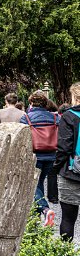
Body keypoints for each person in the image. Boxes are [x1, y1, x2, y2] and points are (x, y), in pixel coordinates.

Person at [20, 91, 59, 226]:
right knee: (40, 182)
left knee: (34, 183)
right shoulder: (54, 117)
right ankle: (36, 217)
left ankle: (45, 209)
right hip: (51, 154)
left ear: (31, 103)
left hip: (35, 155)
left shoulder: (26, 118)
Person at [53, 83, 80, 241]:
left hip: (71, 172)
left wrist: (55, 169)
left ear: (75, 97)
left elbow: (63, 148)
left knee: (68, 219)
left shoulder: (69, 116)